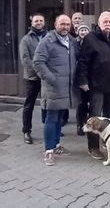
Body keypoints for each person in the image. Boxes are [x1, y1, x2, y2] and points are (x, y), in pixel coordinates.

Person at [33, 14, 77, 166]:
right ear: (56, 24)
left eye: (67, 24)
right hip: (53, 88)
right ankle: (48, 151)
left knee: (60, 119)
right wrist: (51, 79)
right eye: (62, 24)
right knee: (51, 119)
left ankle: (56, 145)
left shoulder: (71, 41)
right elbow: (38, 62)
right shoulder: (48, 41)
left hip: (66, 88)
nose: (65, 27)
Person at [76, 11, 110, 160]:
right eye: (105, 22)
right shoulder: (90, 38)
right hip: (96, 86)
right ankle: (93, 147)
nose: (107, 24)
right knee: (94, 118)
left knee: (109, 117)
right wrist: (83, 81)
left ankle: (108, 144)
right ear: (99, 23)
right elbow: (83, 61)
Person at [19, 13, 47, 144]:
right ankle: (26, 131)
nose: (39, 22)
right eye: (36, 21)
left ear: (44, 22)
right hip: (33, 78)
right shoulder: (26, 39)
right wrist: (40, 71)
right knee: (29, 105)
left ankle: (49, 128)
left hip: (47, 76)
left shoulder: (49, 36)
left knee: (47, 103)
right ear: (32, 22)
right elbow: (26, 59)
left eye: (41, 20)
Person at [75, 23, 90, 136]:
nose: (84, 32)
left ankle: (87, 123)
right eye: (81, 30)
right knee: (81, 103)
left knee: (89, 103)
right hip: (79, 77)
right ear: (78, 32)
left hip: (91, 77)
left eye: (85, 30)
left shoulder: (92, 43)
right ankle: (80, 124)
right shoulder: (75, 44)